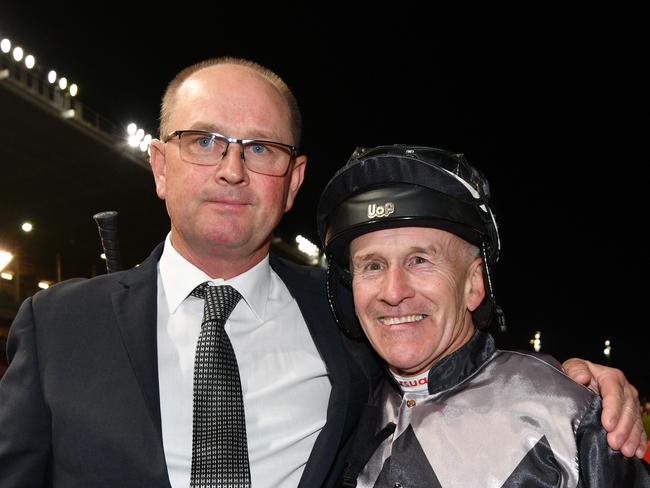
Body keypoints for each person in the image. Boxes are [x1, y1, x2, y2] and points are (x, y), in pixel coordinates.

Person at [0, 58, 644, 487]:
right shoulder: (56, 324)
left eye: (262, 148)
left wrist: (576, 385)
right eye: (204, 141)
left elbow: (456, 368)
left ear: (293, 180)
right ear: (160, 164)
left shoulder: (349, 320)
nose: (232, 170)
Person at [317, 144, 650, 486]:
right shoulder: (343, 406)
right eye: (373, 265)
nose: (393, 291)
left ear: (474, 283)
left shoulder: (567, 412)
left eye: (420, 261)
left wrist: (582, 402)